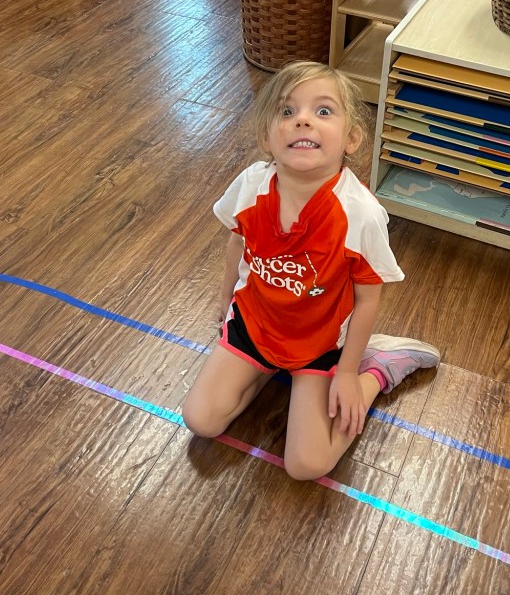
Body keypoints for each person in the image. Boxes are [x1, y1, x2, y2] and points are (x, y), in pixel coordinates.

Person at [182, 60, 440, 481]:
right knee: (200, 419)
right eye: (287, 111)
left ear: (351, 138)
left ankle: (380, 367)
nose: (302, 120)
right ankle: (267, 367)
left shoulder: (359, 213)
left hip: (320, 342)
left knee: (307, 465)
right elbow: (237, 243)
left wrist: (349, 374)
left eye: (323, 111)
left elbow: (368, 298)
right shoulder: (251, 184)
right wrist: (225, 302)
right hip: (256, 325)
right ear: (267, 135)